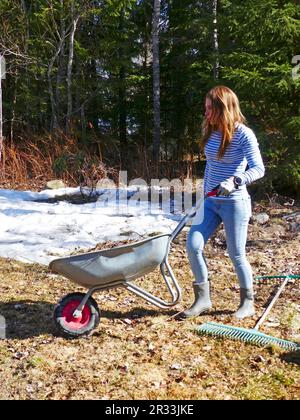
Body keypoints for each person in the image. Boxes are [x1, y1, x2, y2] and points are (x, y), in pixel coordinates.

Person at [178, 85, 265, 320]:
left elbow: (259, 168)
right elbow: (211, 165)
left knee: (236, 254)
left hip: (234, 202)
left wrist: (236, 180)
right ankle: (202, 299)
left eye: (209, 108)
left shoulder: (244, 134)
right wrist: (203, 194)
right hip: (210, 202)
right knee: (193, 245)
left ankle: (248, 303)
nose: (205, 113)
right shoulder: (211, 130)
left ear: (222, 108)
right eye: (205, 108)